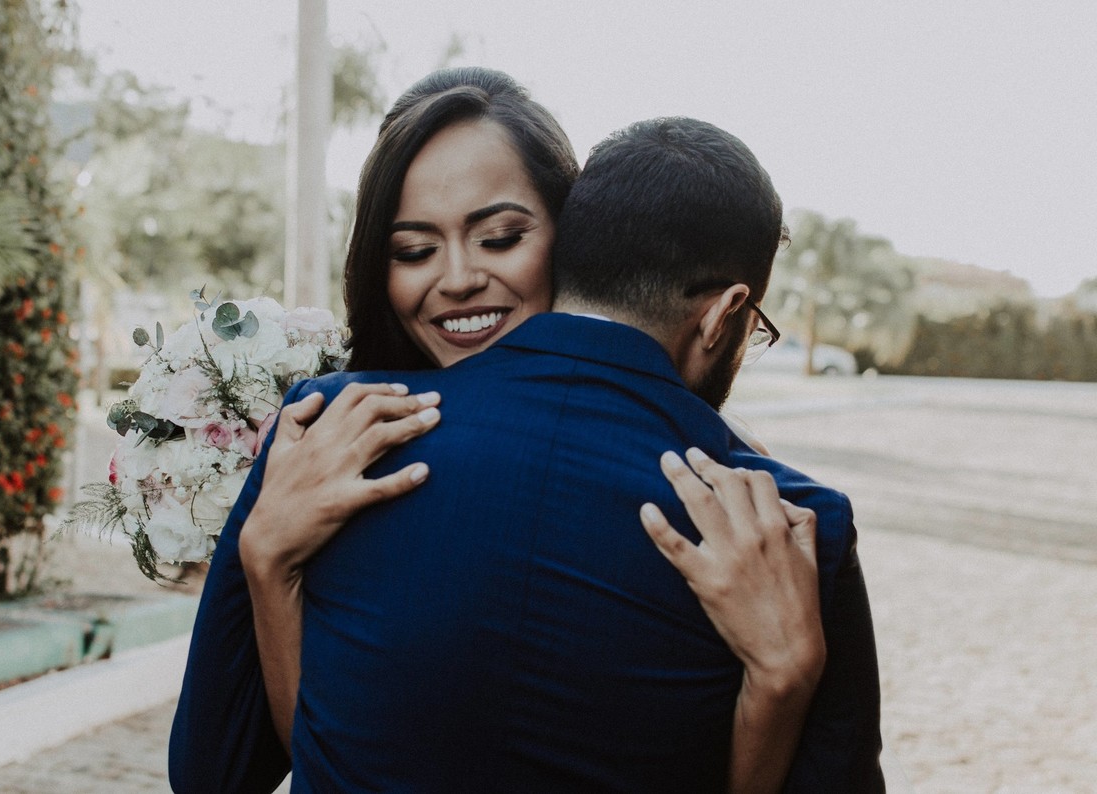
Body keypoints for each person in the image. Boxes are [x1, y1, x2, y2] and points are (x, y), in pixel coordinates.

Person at [171, 69, 874, 791]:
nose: (459, 279)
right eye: (413, 251)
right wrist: (265, 555)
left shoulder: (766, 527)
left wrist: (783, 680)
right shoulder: (323, 445)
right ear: (727, 313)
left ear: (576, 235)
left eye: (500, 237)